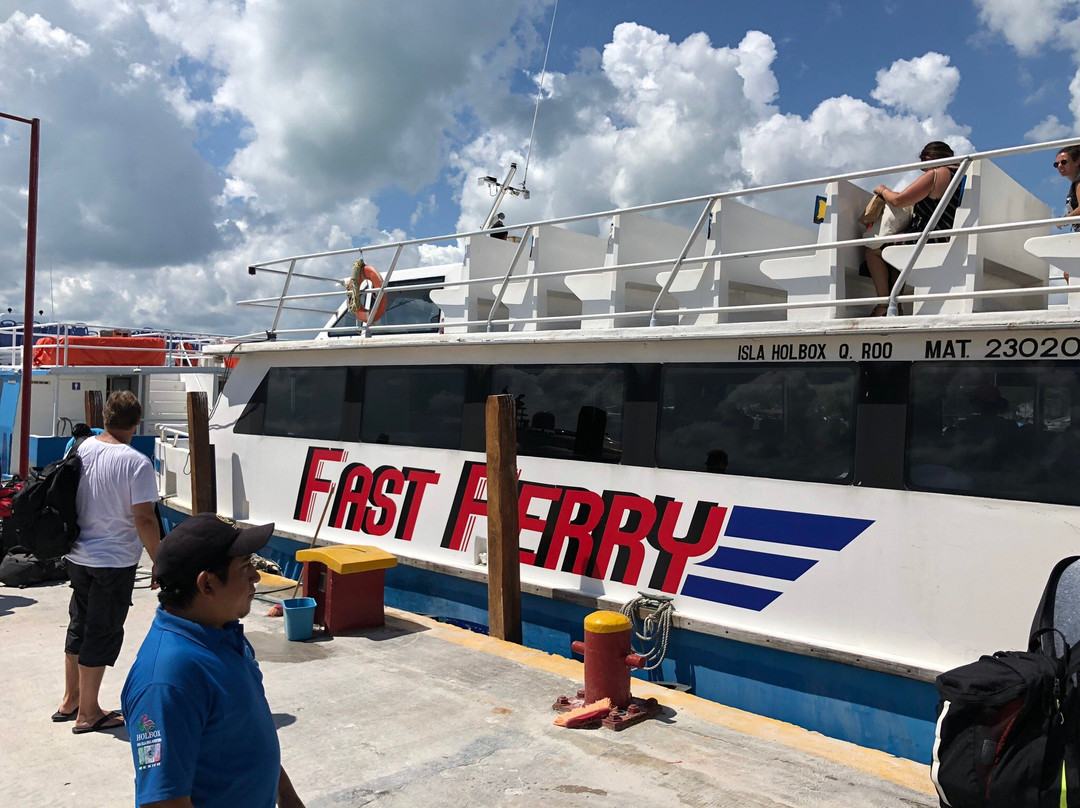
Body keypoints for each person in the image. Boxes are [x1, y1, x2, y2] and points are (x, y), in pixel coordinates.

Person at [121, 512, 306, 808]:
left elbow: (244, 735)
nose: (255, 577)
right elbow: (163, 802)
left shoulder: (222, 632)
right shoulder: (168, 680)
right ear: (206, 585)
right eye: (245, 566)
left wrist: (287, 796)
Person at [55, 390, 160, 734]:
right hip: (113, 561)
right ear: (137, 422)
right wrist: (160, 562)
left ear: (105, 418)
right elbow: (144, 519)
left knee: (79, 625)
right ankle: (88, 712)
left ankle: (70, 700)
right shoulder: (137, 463)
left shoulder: (81, 448)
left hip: (78, 555)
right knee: (101, 631)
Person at [864, 141, 963, 316]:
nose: (924, 170)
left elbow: (899, 200)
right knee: (896, 246)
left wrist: (882, 190)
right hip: (947, 232)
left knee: (873, 249)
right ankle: (897, 305)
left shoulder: (937, 173)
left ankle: (882, 305)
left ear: (928, 158)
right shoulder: (960, 174)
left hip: (931, 236)